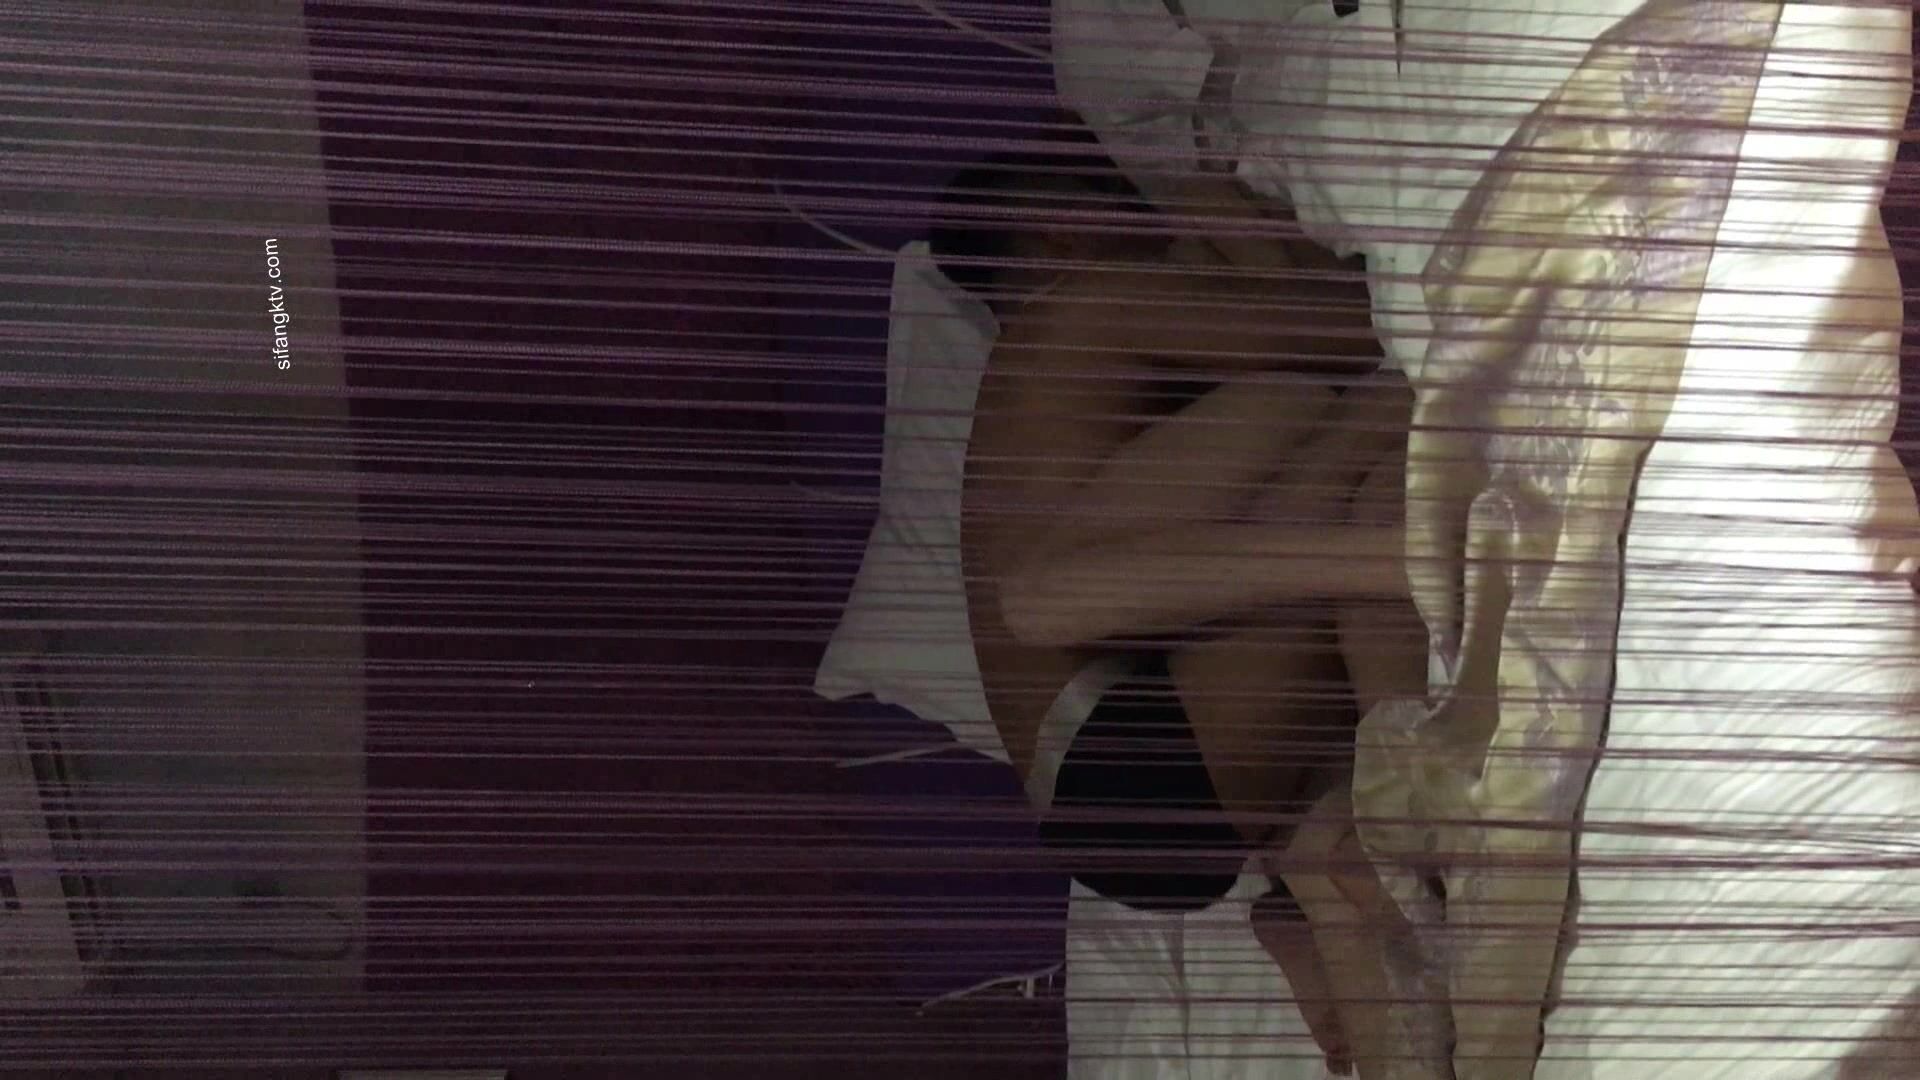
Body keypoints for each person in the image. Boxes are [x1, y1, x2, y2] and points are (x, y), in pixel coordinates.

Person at [935, 122, 1433, 1075]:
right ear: (1057, 225)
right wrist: (1208, 206)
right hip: (1132, 750)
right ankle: (1339, 838)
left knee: (1335, 440)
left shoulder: (1051, 382)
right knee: (1323, 408)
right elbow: (1357, 325)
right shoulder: (1090, 309)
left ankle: (1313, 879)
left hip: (1130, 779)